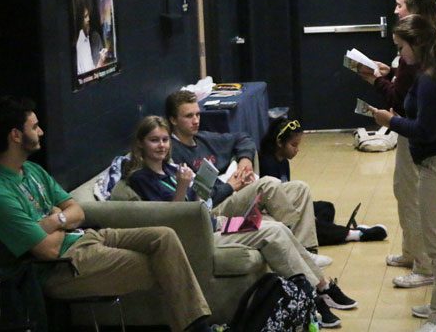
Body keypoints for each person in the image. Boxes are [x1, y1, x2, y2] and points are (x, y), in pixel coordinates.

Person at [0, 96, 212, 332]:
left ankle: (198, 327)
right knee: (165, 264)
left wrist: (53, 220)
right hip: (60, 267)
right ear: (16, 136)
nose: (41, 132)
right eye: (34, 127)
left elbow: (77, 211)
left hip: (85, 236)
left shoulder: (32, 170)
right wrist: (62, 218)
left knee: (165, 237)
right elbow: (47, 250)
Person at [123, 116, 356, 329]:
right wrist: (185, 186)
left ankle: (322, 287)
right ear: (141, 143)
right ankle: (313, 296)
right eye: (154, 140)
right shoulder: (142, 178)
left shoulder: (172, 169)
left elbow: (200, 200)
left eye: (164, 140)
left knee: (278, 227)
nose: (162, 145)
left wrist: (202, 186)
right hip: (198, 234)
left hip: (214, 220)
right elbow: (173, 218)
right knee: (272, 231)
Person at [370, 14, 436, 332]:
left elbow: (424, 131)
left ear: (416, 44)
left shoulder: (430, 79)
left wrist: (389, 121)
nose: (401, 55)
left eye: (401, 47)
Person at [352, 0, 436, 288]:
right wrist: (388, 73)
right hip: (410, 128)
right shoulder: (419, 43)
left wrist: (374, 79)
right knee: (405, 191)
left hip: (413, 130)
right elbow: (404, 86)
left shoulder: (419, 47)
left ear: (413, 10)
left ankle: (425, 264)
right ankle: (412, 251)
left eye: (400, 5)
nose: (395, 9)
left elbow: (399, 99)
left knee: (413, 195)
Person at [166, 90, 321, 254]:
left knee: (300, 188)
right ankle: (297, 249)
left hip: (233, 193)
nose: (196, 121)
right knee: (269, 183)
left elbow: (243, 138)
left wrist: (245, 160)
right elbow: (199, 198)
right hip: (215, 206)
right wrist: (231, 186)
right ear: (173, 120)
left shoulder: (205, 138)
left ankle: (308, 250)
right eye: (189, 116)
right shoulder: (173, 154)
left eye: (198, 114)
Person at [259, 116, 388, 245]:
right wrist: (304, 215)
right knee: (309, 222)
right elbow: (275, 205)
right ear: (279, 142)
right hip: (276, 214)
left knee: (326, 208)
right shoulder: (267, 164)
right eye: (293, 145)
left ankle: (325, 231)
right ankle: (355, 234)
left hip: (288, 206)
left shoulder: (284, 162)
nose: (297, 149)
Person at [75, 0, 107, 75]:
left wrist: (101, 60)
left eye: (88, 15)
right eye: (85, 16)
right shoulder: (82, 42)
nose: (88, 19)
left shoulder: (88, 37)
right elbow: (90, 77)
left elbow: (92, 72)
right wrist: (101, 60)